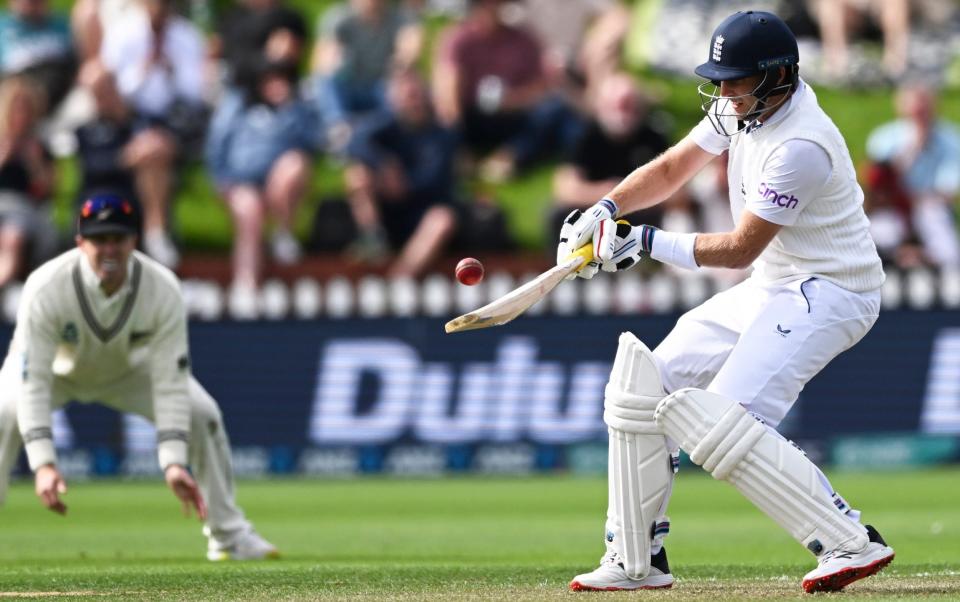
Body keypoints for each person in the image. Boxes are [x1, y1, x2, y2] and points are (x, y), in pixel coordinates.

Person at [556, 11, 894, 593]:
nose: (725, 92)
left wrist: (644, 241)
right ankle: (635, 561)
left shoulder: (801, 144)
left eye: (737, 80)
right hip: (775, 282)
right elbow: (672, 169)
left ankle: (850, 541)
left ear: (778, 77)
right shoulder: (740, 107)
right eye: (721, 79)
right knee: (642, 387)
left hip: (833, 290)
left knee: (721, 417)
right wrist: (606, 209)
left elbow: (739, 247)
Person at [0, 193, 279, 561]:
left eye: (119, 238)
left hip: (128, 373)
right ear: (80, 241)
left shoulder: (162, 288)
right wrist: (44, 464)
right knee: (4, 412)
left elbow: (170, 380)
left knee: (203, 414)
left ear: (135, 240)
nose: (109, 249)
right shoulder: (46, 286)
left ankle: (228, 535)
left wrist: (174, 461)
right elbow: (33, 380)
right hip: (56, 374)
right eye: (99, 239)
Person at [205, 58, 318, 317]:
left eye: (283, 80)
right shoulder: (237, 105)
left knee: (295, 164)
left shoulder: (297, 111)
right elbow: (217, 142)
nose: (277, 85)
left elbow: (313, 142)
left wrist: (292, 108)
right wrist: (221, 179)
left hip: (277, 186)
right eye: (271, 80)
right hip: (241, 184)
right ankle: (246, 284)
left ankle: (283, 233)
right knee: (250, 211)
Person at [343, 68, 462, 277]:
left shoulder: (442, 135)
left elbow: (435, 180)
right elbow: (355, 141)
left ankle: (398, 280)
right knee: (357, 175)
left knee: (442, 219)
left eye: (415, 95)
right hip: (387, 212)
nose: (411, 102)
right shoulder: (386, 124)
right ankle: (373, 240)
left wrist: (403, 185)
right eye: (405, 97)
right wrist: (384, 164)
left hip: (421, 211)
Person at [865, 82, 960, 269]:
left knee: (934, 218)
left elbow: (947, 190)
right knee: (877, 230)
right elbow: (878, 185)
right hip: (893, 208)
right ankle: (896, 259)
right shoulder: (884, 138)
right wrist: (913, 149)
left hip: (930, 206)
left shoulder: (951, 140)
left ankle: (947, 271)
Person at [0, 76, 57, 289]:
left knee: (12, 237)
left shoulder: (40, 146)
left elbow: (48, 190)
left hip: (23, 209)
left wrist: (34, 163)